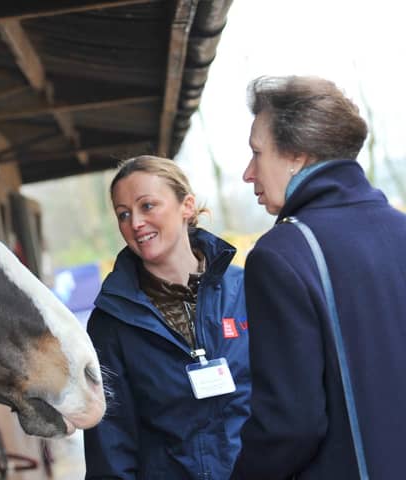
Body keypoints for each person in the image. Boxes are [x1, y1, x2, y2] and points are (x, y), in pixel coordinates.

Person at [231, 75, 406, 479]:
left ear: (296, 155)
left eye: (257, 152)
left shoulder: (281, 255)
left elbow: (290, 426)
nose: (248, 173)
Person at [84, 155, 250, 479]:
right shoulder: (111, 323)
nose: (135, 223)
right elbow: (110, 445)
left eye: (147, 206)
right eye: (123, 214)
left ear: (186, 206)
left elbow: (287, 405)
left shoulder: (246, 291)